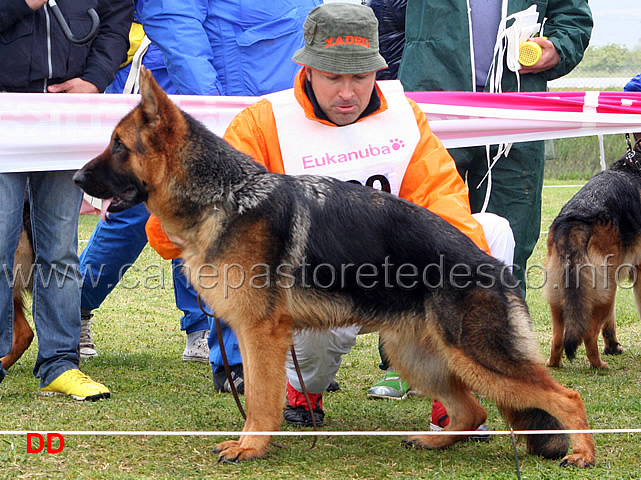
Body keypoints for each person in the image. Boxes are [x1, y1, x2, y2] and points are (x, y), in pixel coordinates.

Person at [146, 2, 514, 427]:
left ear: (378, 70)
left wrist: (463, 292)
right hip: (315, 285)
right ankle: (304, 392)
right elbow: (184, 223)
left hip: (399, 277)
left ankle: (452, 394)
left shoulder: (404, 116)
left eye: (360, 76)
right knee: (315, 310)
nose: (347, 92)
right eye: (333, 76)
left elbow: (443, 199)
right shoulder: (262, 122)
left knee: (492, 232)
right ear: (307, 69)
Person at [367, 0, 591, 431]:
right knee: (416, 237)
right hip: (431, 106)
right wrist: (401, 80)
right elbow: (382, 15)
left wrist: (557, 48)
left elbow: (573, 15)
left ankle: (509, 378)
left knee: (509, 239)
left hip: (516, 115)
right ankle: (406, 363)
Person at [79, 0, 322, 391]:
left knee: (272, 235)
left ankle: (294, 363)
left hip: (283, 97)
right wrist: (210, 107)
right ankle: (235, 358)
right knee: (154, 220)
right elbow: (173, 17)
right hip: (221, 101)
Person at [0, 0, 133, 399]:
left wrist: (94, 79)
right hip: (4, 112)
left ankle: (60, 363)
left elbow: (115, 20)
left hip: (64, 114)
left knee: (59, 247)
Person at [78, 1, 209, 364]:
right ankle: (76, 306)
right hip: (149, 74)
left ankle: (202, 326)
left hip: (215, 75)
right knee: (131, 213)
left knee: (195, 209)